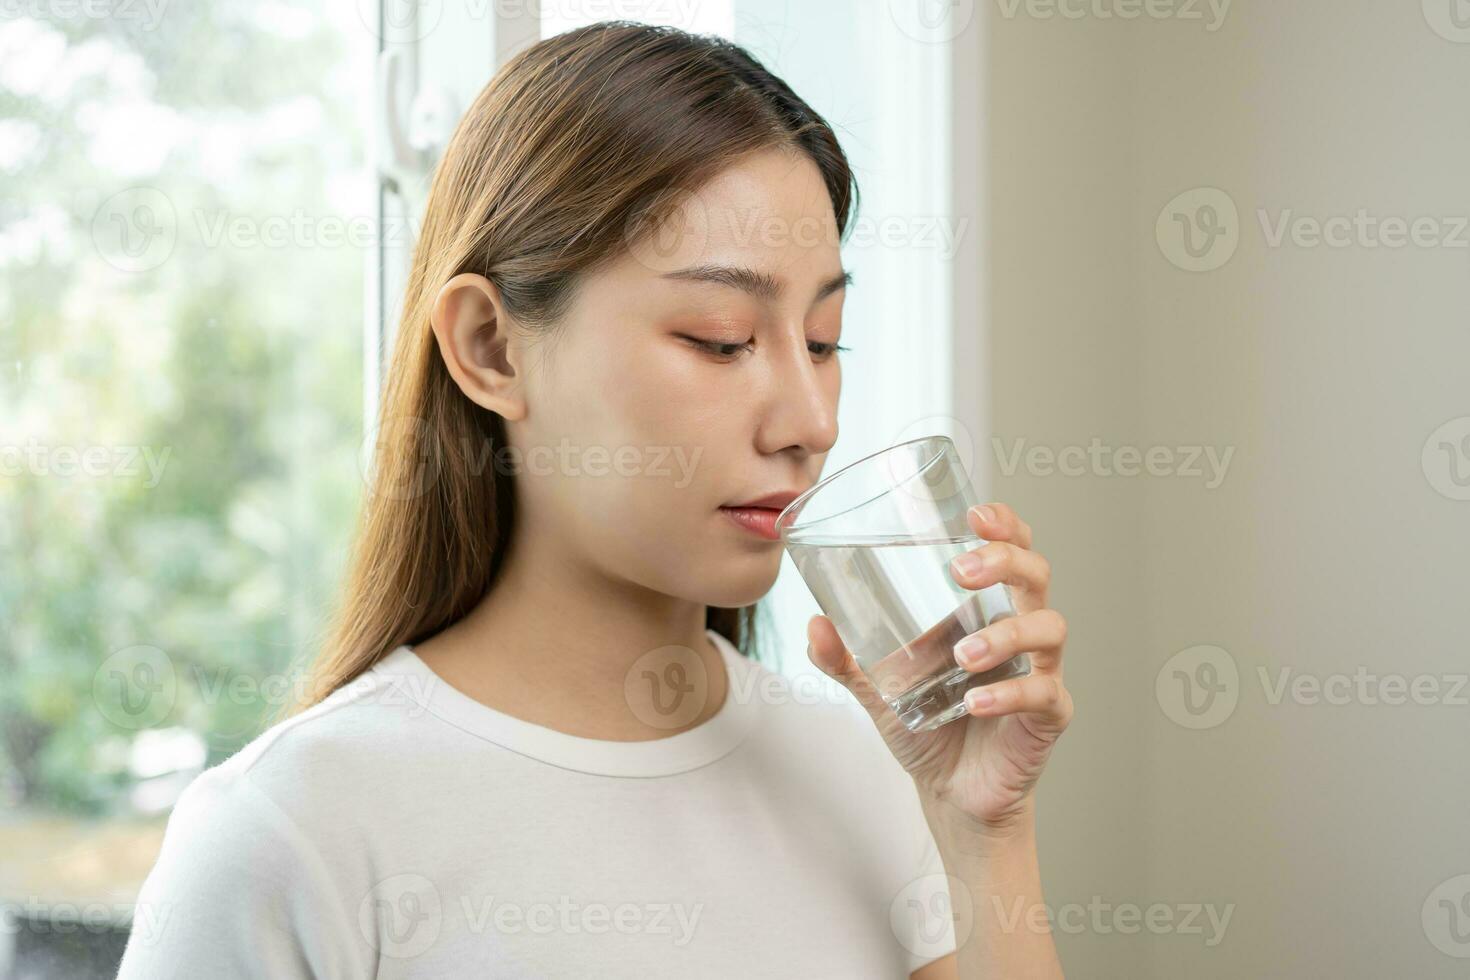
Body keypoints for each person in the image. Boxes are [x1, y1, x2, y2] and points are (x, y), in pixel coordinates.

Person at [116, 21, 1072, 979]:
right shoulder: (293, 833)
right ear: (491, 347)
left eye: (822, 340)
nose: (809, 419)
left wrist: (983, 826)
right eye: (720, 337)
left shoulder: (874, 776)